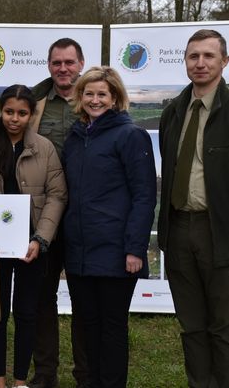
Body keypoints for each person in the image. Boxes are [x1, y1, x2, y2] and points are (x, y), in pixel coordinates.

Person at [0, 84, 68, 388]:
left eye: (22, 113)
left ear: (31, 115)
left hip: (30, 245)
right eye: (9, 111)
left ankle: (21, 381)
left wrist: (40, 239)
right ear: (0, 110)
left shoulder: (44, 148)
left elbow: (57, 196)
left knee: (26, 313)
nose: (14, 118)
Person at [158, 29, 229, 387]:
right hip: (179, 230)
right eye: (193, 56)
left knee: (224, 329)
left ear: (224, 62)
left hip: (222, 234)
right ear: (185, 62)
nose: (200, 63)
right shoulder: (173, 111)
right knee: (191, 327)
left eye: (209, 56)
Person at [62, 66, 156, 388]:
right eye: (89, 93)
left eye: (102, 94)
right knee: (88, 327)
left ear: (115, 97)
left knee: (112, 329)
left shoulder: (131, 136)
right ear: (80, 96)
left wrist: (134, 249)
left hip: (116, 253)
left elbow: (144, 196)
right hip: (80, 254)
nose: (95, 99)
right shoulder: (74, 139)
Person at [29, 38, 88, 388]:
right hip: (42, 216)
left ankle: (85, 376)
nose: (63, 69)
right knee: (41, 298)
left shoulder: (97, 98)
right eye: (56, 63)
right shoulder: (33, 101)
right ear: (49, 65)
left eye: (69, 62)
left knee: (84, 300)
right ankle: (45, 376)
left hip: (84, 217)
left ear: (80, 63)